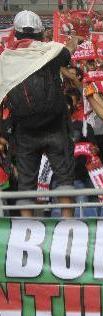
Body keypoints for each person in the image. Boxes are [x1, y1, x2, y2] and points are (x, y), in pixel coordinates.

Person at [0, 10, 78, 218]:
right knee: (64, 179)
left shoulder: (6, 59)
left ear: (15, 34)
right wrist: (72, 39)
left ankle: (27, 232)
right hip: (55, 128)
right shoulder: (51, 52)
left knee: (26, 184)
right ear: (40, 33)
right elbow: (69, 52)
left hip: (24, 131)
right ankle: (68, 225)